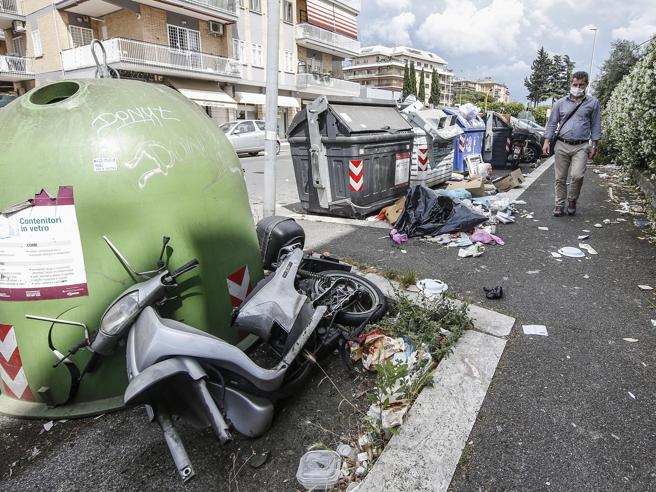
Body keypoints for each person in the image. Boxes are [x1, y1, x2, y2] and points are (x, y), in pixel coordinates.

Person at [543, 71, 601, 216]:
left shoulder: (593, 103)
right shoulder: (560, 103)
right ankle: (559, 204)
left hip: (581, 146)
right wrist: (546, 141)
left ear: (586, 85)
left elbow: (595, 125)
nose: (578, 87)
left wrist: (595, 145)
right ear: (571, 84)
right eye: (575, 84)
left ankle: (572, 199)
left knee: (577, 176)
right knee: (560, 178)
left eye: (581, 85)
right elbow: (552, 124)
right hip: (562, 144)